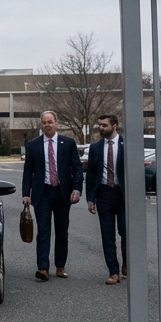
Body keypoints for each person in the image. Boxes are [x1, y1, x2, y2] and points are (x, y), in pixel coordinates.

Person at [21, 110, 83, 281]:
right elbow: (28, 171)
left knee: (62, 230)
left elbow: (77, 168)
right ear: (41, 125)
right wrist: (26, 193)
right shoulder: (33, 145)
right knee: (43, 230)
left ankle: (60, 266)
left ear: (56, 123)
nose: (47, 125)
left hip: (63, 193)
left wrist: (77, 189)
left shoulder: (68, 143)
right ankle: (43, 268)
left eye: (50, 122)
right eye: (44, 123)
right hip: (43, 193)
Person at [86, 114, 127, 285]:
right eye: (99, 125)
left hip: (123, 195)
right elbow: (91, 174)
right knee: (107, 235)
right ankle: (114, 272)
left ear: (114, 126)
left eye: (104, 125)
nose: (101, 128)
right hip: (104, 194)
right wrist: (90, 198)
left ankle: (127, 262)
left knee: (126, 232)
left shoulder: (127, 145)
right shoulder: (95, 147)